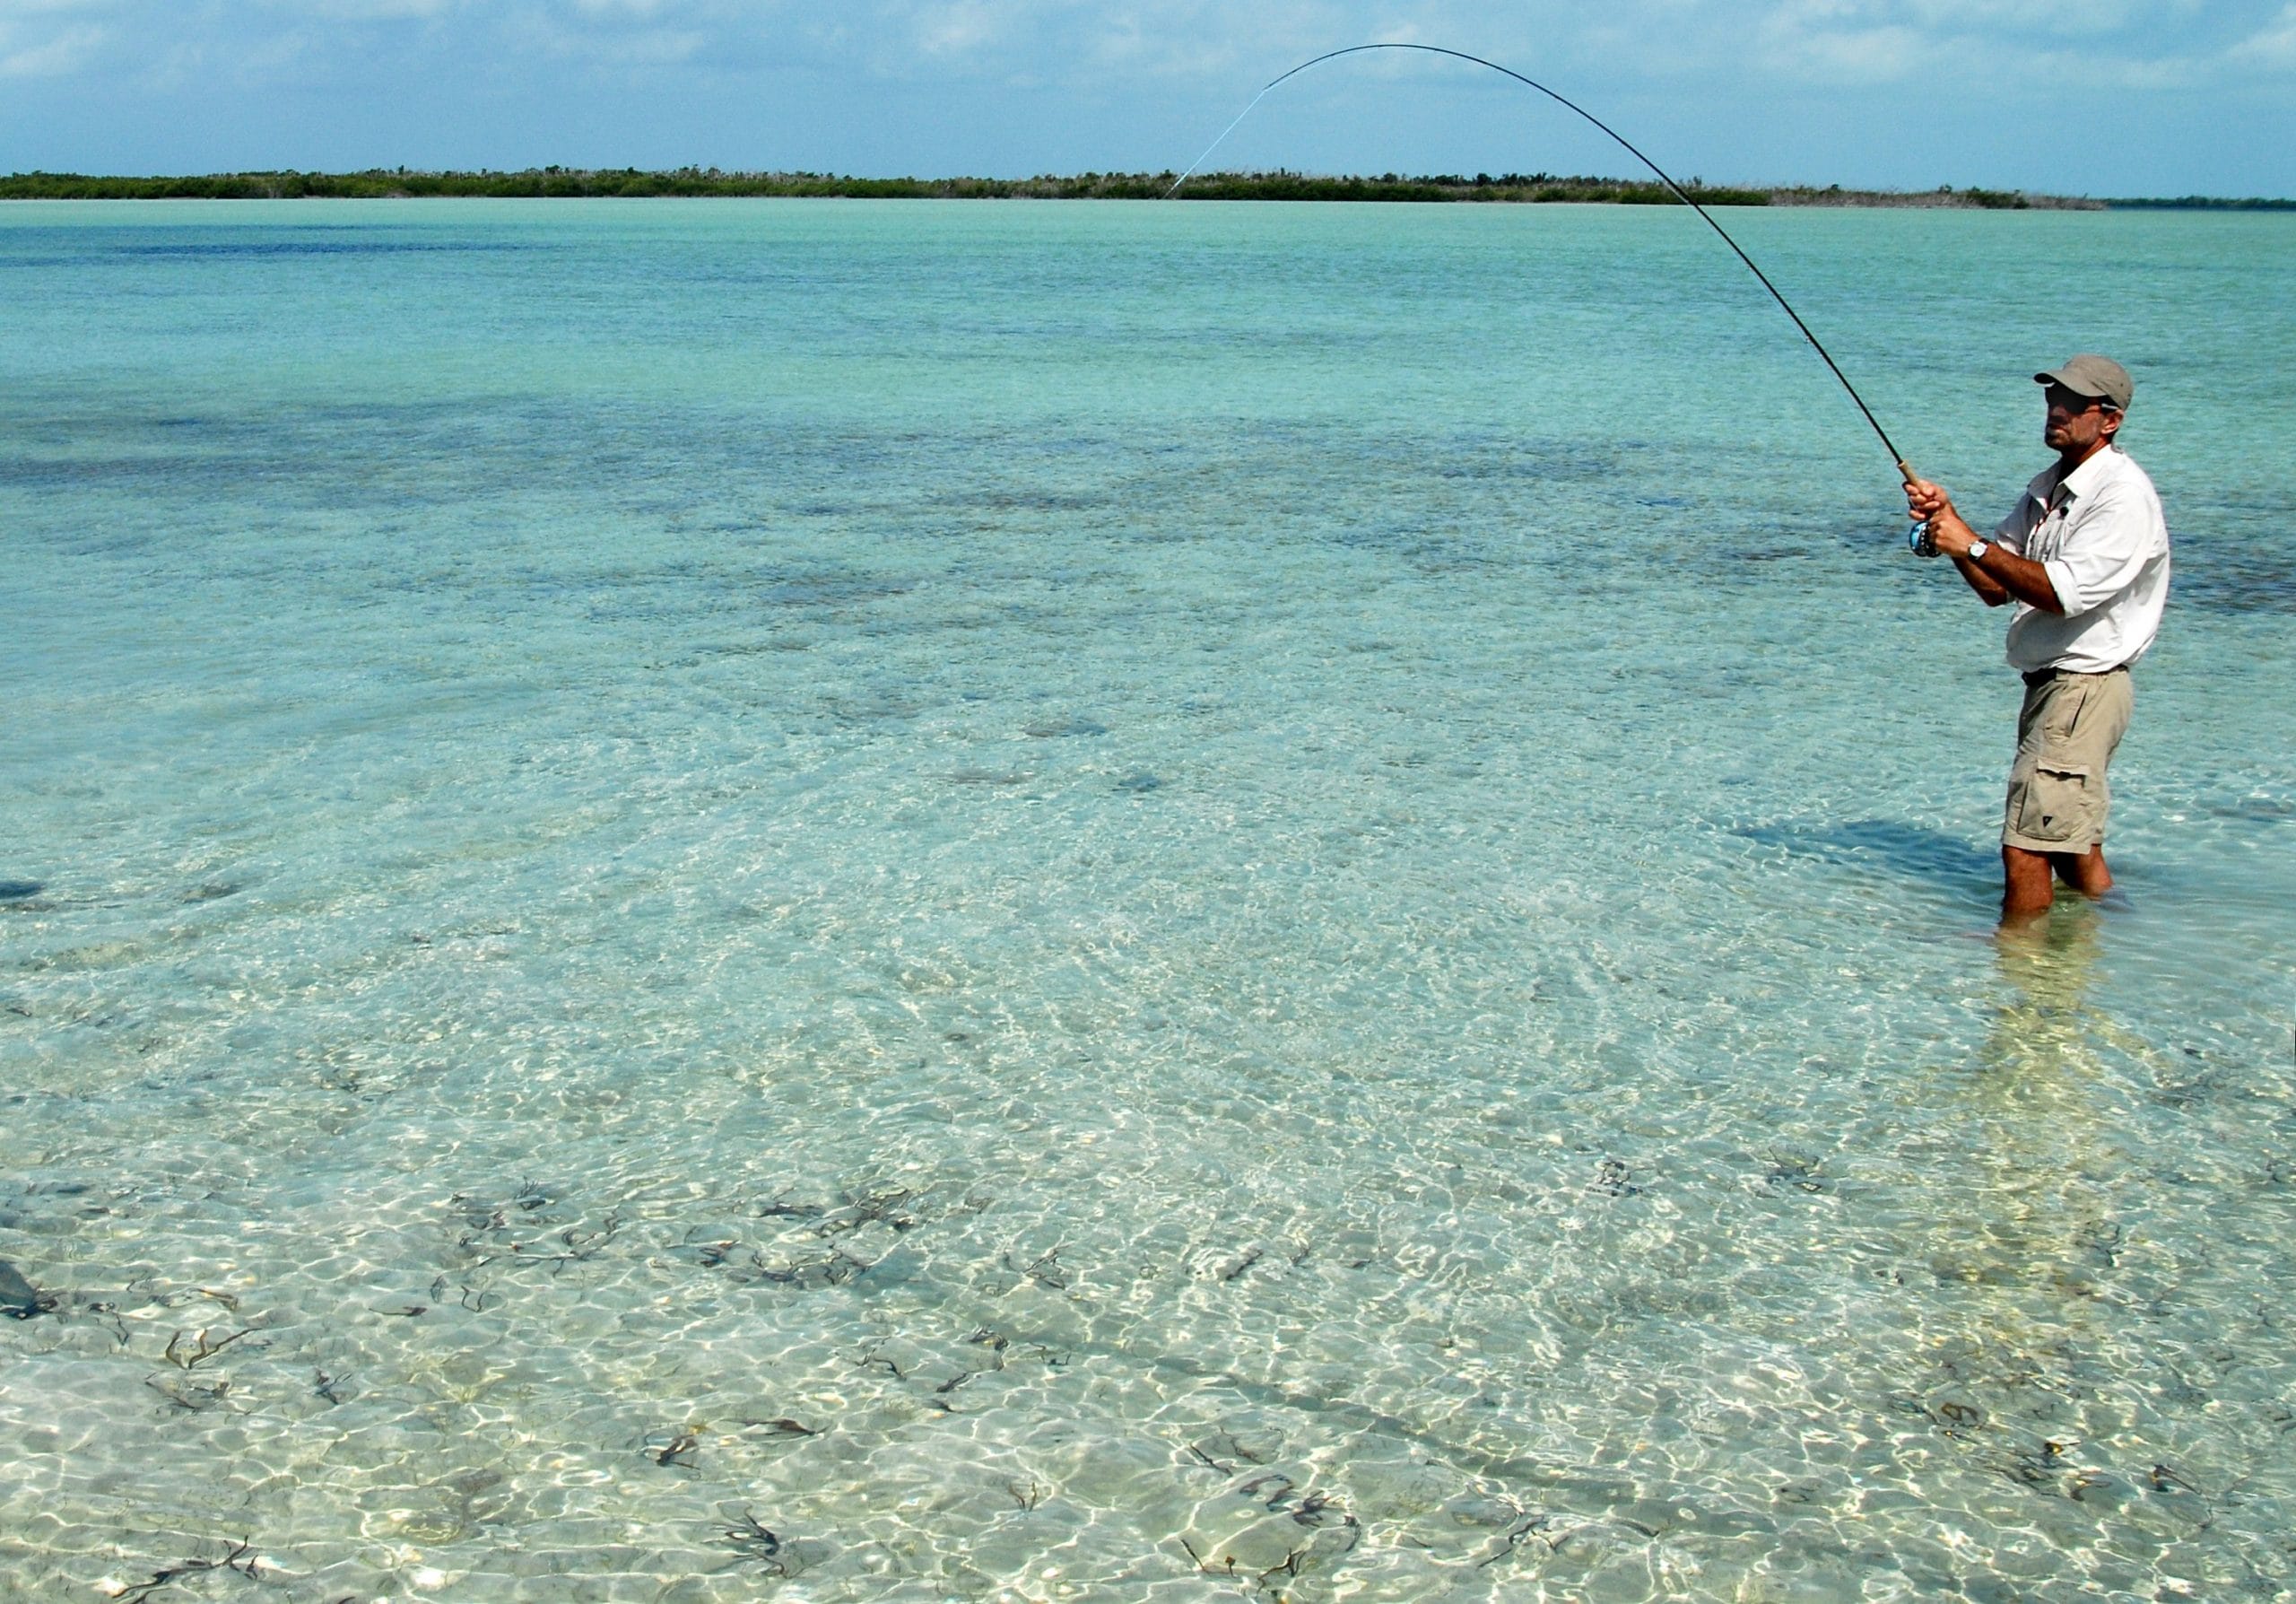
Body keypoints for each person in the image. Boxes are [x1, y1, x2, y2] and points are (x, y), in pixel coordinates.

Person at [1903, 355, 2170, 926]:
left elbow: (2063, 594)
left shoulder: (2122, 496)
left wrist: (1972, 545)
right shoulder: (2047, 489)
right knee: (2073, 850)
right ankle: (2125, 937)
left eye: (2075, 402)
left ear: (2110, 420)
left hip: (2083, 689)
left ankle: (2022, 970)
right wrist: (1951, 528)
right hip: (2059, 690)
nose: (2057, 409)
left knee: (2025, 844)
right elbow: (1997, 588)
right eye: (2054, 397)